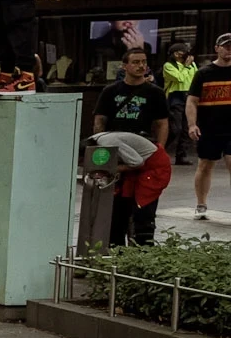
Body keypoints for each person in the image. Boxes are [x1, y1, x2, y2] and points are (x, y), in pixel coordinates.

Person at [91, 44, 172, 245]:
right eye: (135, 62)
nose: (141, 66)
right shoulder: (110, 91)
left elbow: (162, 123)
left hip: (144, 150)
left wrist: (159, 150)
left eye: (143, 62)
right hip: (116, 149)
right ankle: (115, 251)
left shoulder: (155, 92)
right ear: (124, 66)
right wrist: (104, 153)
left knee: (144, 208)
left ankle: (142, 250)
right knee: (116, 208)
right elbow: (99, 120)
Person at [187, 32, 231, 221]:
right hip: (209, 127)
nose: (229, 50)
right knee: (205, 165)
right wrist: (192, 125)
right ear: (217, 48)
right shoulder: (204, 73)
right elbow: (192, 101)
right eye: (226, 46)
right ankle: (201, 204)